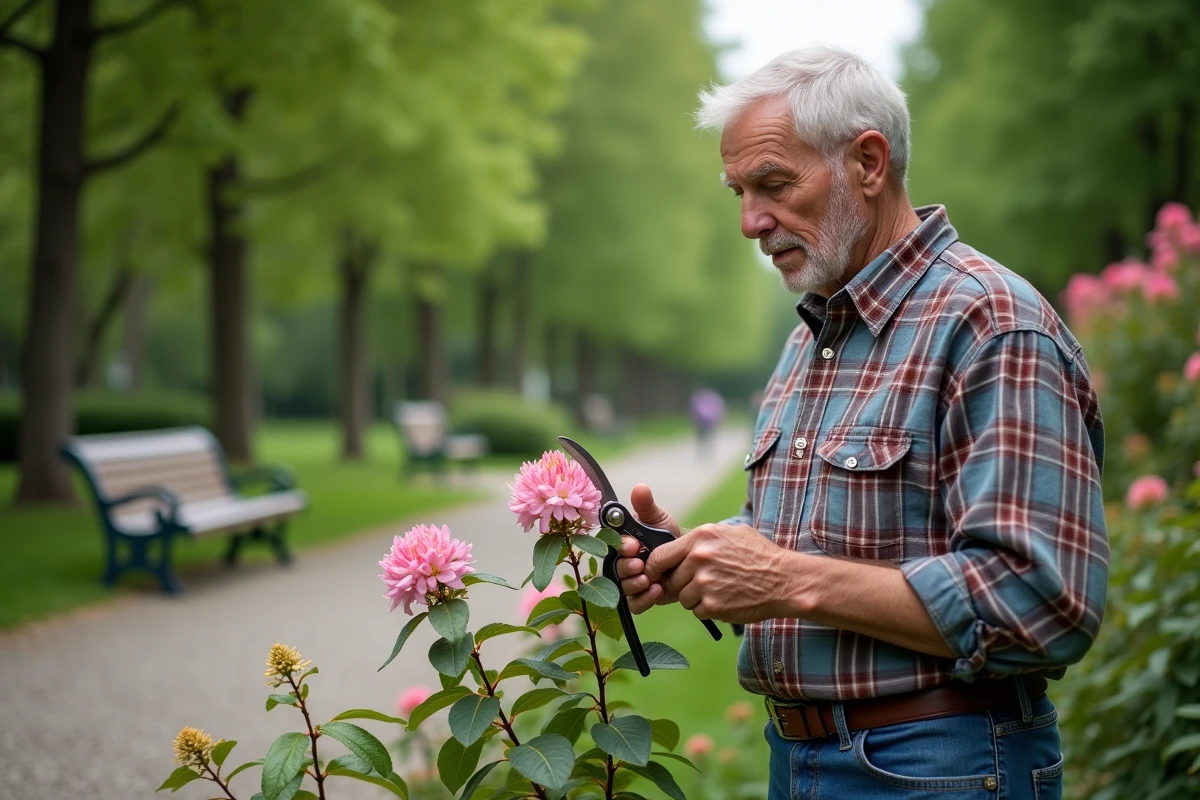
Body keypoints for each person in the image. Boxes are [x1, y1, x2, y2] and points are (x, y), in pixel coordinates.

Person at [615, 47, 1107, 799]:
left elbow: (1040, 601)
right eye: (738, 192)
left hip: (942, 764)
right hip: (801, 758)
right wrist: (701, 561)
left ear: (869, 163)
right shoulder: (809, 336)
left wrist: (782, 579)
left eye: (773, 184)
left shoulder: (991, 323)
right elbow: (816, 552)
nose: (750, 222)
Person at [689, 387, 726, 457]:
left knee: (704, 437)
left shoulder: (698, 398)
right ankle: (706, 451)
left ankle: (704, 451)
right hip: (707, 422)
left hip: (702, 422)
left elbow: (693, 410)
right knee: (707, 437)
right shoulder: (713, 398)